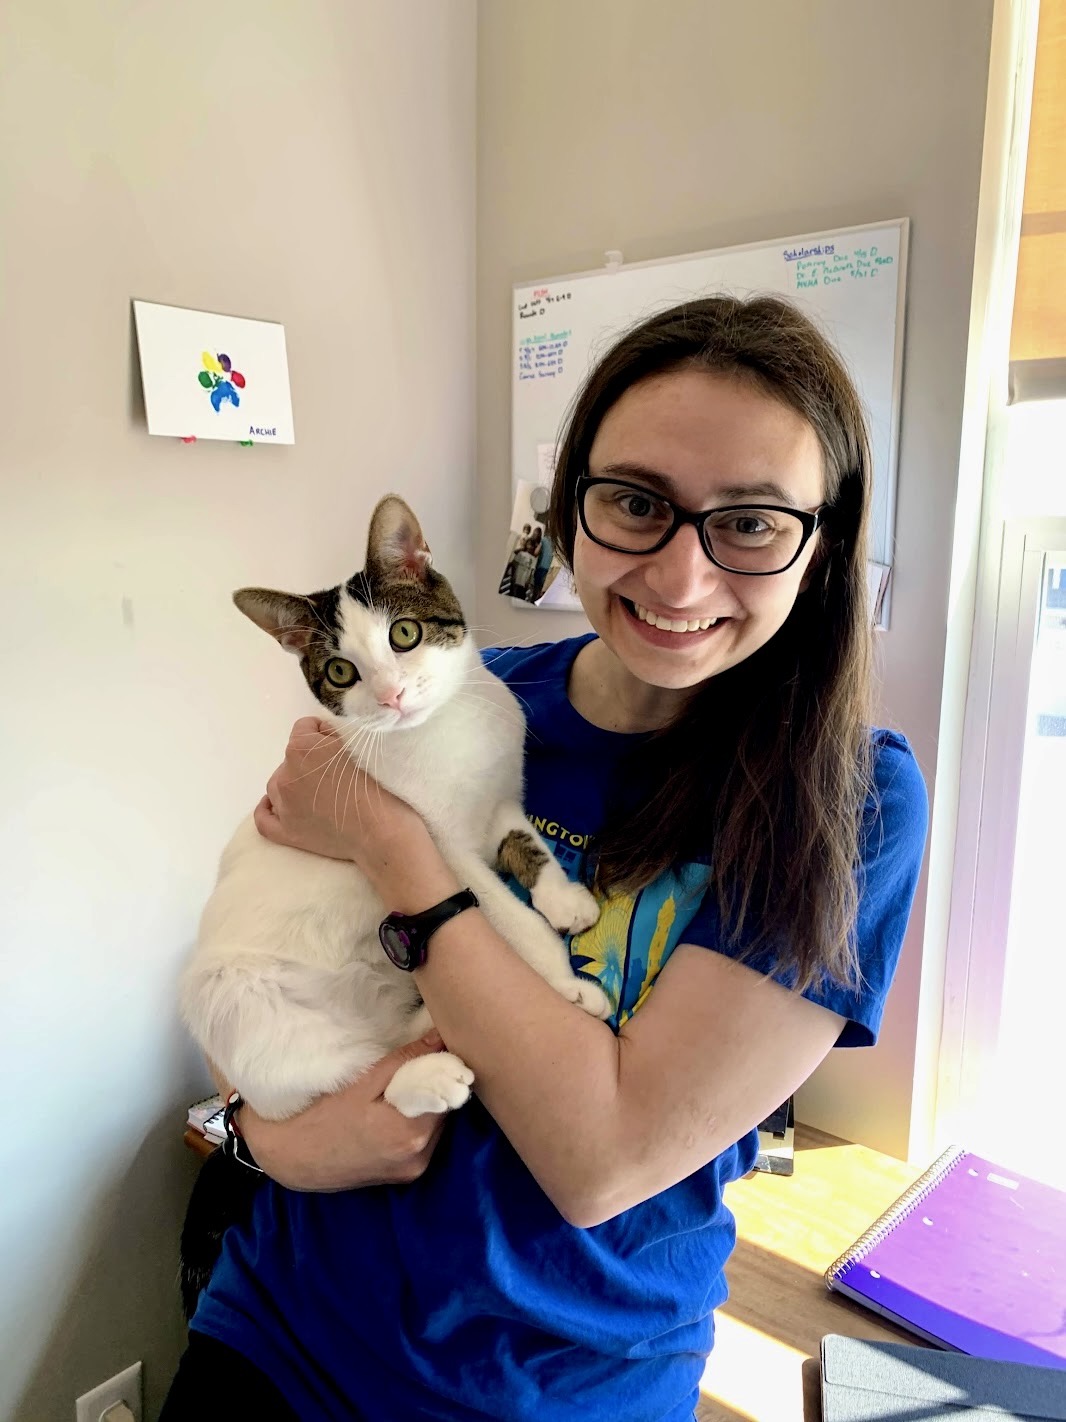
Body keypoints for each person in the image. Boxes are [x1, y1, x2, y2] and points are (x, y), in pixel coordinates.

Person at [162, 295, 929, 1422]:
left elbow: (601, 1161)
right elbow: (262, 949)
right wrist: (268, 1139)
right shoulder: (461, 702)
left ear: (822, 544)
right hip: (282, 1332)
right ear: (567, 510)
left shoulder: (846, 803)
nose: (678, 581)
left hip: (551, 1391)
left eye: (752, 521)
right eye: (634, 502)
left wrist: (390, 846)